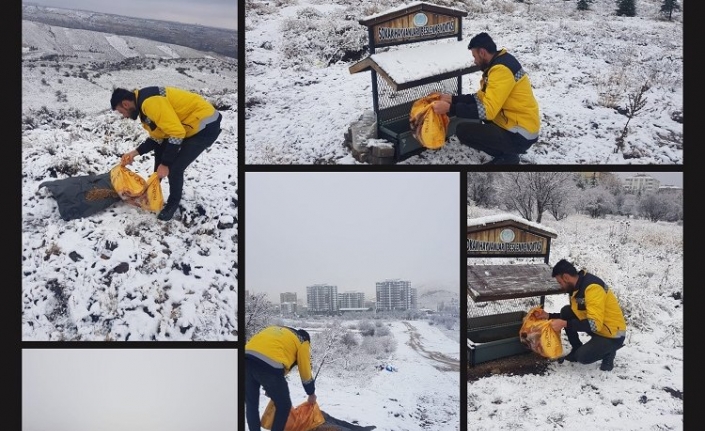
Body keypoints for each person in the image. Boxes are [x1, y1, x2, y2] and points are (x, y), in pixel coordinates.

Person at [110, 86, 222, 221]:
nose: (125, 116)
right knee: (161, 154)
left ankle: (172, 204)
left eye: (122, 112)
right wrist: (134, 153)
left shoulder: (150, 103)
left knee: (174, 169)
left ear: (126, 104)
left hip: (205, 126)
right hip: (187, 125)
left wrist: (165, 163)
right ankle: (153, 189)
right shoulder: (143, 107)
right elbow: (158, 138)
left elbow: (176, 133)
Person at [431, 32, 540, 164]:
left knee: (463, 131)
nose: (475, 61)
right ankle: (508, 152)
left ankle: (508, 157)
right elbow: (481, 97)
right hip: (515, 123)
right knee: (481, 121)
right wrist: (453, 99)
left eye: (474, 56)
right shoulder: (500, 62)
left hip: (520, 133)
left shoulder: (501, 70)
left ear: (482, 53)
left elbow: (488, 111)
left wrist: (451, 108)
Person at [536, 259, 627, 371]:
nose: (560, 286)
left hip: (612, 334)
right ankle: (577, 348)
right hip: (599, 327)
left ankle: (609, 352)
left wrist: (565, 323)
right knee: (566, 311)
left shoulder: (592, 288)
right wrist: (549, 316)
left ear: (566, 277)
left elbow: (594, 325)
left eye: (560, 282)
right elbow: (576, 313)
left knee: (583, 357)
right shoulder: (577, 287)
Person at [245, 326, 317, 431]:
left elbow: (269, 351)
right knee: (284, 406)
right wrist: (311, 393)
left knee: (252, 404)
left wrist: (269, 388)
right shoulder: (303, 341)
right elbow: (305, 370)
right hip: (269, 365)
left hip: (245, 359)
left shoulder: (277, 329)